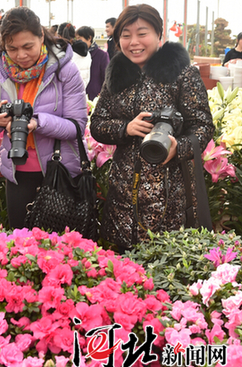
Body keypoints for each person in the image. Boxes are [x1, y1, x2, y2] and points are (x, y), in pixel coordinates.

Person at [89, 4, 214, 252]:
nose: (134, 42)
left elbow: (203, 125)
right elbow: (97, 124)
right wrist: (126, 128)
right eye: (125, 35)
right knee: (121, 267)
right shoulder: (116, 74)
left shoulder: (182, 74)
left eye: (142, 33)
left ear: (159, 35)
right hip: (123, 190)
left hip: (169, 191)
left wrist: (179, 147)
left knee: (162, 262)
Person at [0, 7, 88, 229]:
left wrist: (38, 123)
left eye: (28, 46)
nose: (21, 55)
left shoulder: (64, 69)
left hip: (59, 172)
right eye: (12, 48)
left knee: (60, 248)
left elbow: (77, 126)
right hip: (17, 172)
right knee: (21, 244)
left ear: (41, 37)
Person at [76, 26, 110, 101]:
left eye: (80, 38)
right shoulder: (76, 55)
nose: (77, 41)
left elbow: (106, 77)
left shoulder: (102, 55)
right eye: (76, 39)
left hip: (94, 97)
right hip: (78, 96)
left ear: (89, 38)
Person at [58, 22, 91, 89]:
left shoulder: (64, 54)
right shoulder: (87, 53)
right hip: (82, 92)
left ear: (59, 36)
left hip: (67, 94)